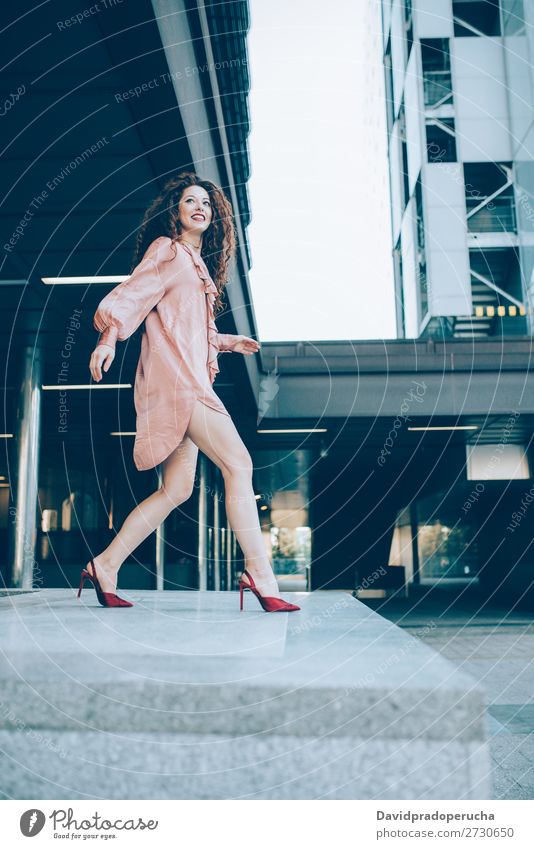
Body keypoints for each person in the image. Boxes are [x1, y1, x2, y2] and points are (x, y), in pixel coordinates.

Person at [79, 172, 299, 613]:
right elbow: (132, 295)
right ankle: (260, 573)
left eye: (207, 203)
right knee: (239, 464)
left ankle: (105, 565)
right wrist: (107, 338)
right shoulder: (168, 250)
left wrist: (227, 341)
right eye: (190, 201)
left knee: (176, 489)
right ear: (175, 211)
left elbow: (188, 331)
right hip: (180, 383)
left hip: (184, 379)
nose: (200, 207)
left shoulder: (196, 269)